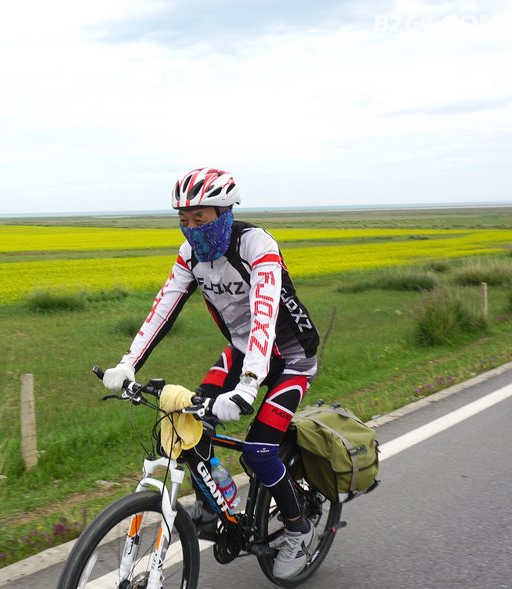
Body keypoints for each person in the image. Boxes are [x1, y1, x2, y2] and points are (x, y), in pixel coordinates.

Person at [101, 167, 320, 580]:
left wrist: (248, 387)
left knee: (258, 450)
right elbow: (163, 308)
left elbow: (265, 317)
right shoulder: (191, 257)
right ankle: (218, 493)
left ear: (224, 212)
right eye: (183, 220)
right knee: (190, 417)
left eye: (199, 218)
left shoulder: (257, 245)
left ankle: (298, 528)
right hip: (242, 350)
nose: (191, 229)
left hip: (290, 356)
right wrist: (128, 363)